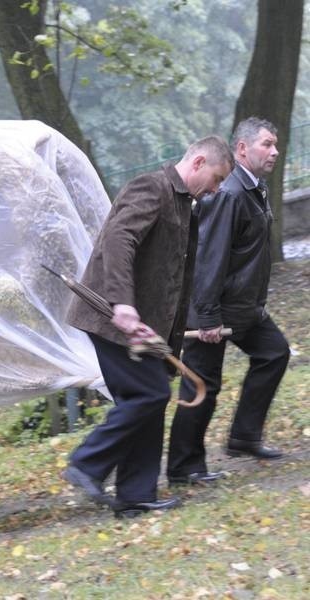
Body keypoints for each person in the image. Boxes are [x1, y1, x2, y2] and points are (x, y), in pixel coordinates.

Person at [62, 135, 234, 518]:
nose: (217, 189)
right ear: (198, 162)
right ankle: (86, 464)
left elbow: (171, 275)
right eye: (218, 178)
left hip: (145, 328)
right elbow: (118, 239)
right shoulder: (151, 187)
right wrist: (122, 302)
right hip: (111, 318)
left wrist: (169, 335)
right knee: (149, 394)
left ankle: (135, 496)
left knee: (149, 398)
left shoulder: (186, 205)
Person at [167, 118, 290, 485]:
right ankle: (183, 466)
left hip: (244, 308)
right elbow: (208, 258)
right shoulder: (229, 194)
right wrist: (205, 318)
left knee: (274, 352)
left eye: (275, 145)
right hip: (213, 310)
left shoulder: (254, 188)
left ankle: (243, 437)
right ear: (242, 149)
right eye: (267, 144)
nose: (275, 152)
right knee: (202, 386)